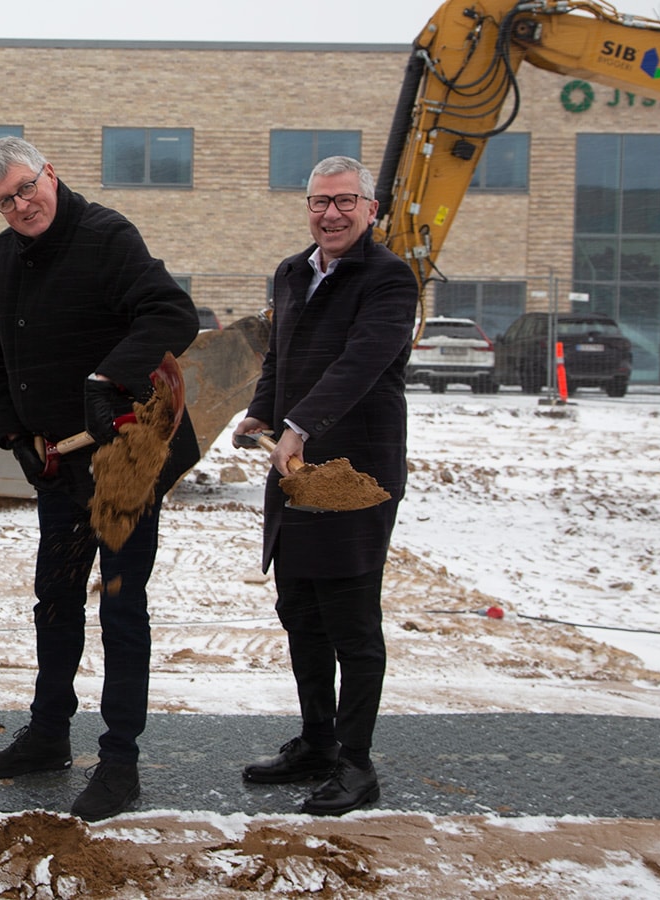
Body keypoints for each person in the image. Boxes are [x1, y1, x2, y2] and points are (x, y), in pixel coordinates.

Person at [0, 136, 199, 821]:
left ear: (51, 173)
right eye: (4, 201)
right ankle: (47, 735)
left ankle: (120, 763)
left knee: (122, 608)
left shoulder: (105, 236)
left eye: (26, 187)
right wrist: (15, 433)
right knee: (56, 598)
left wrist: (110, 379)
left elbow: (172, 313)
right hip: (59, 464)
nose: (20, 205)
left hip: (125, 460)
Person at [231, 155, 416, 816]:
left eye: (345, 201)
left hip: (352, 477)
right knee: (301, 615)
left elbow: (361, 361)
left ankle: (356, 763)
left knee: (350, 624)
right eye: (319, 202)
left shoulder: (390, 279)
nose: (331, 214)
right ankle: (315, 742)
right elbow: (282, 356)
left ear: (370, 209)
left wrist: (302, 424)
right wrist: (261, 409)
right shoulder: (290, 272)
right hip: (293, 470)